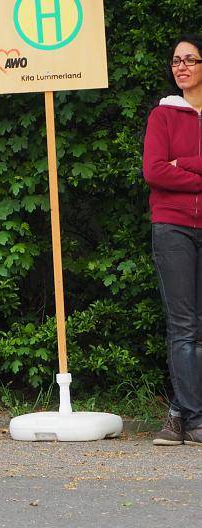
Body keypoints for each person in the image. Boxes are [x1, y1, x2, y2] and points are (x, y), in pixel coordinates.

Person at [143, 34, 202, 447]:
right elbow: (155, 171)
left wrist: (187, 165)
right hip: (173, 227)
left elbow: (172, 169)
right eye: (176, 60)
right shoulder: (162, 116)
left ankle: (179, 412)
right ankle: (195, 420)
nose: (180, 67)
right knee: (183, 325)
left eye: (190, 60)